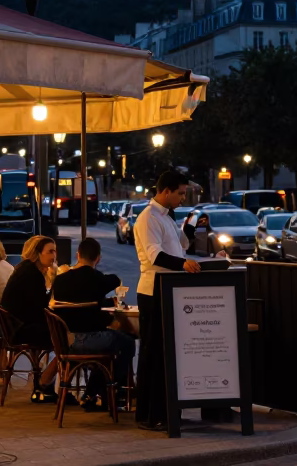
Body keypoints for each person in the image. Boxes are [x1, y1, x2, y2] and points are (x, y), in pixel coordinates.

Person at [133, 170, 200, 432]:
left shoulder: (168, 216)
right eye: (181, 193)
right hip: (153, 291)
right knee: (153, 353)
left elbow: (181, 245)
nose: (184, 198)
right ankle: (150, 414)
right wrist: (183, 264)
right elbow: (155, 256)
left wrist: (192, 225)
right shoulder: (148, 217)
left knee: (167, 354)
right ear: (165, 191)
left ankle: (166, 409)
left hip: (170, 289)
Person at [50, 237, 135, 411]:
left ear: (78, 254)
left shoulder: (60, 281)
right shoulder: (98, 280)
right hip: (90, 339)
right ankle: (106, 391)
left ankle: (94, 393)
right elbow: (115, 280)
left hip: (66, 341)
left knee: (112, 343)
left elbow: (82, 304)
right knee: (127, 342)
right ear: (98, 258)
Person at [0, 235, 59, 402]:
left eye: (55, 251)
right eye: (50, 252)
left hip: (16, 326)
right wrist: (55, 282)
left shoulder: (26, 269)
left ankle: (46, 384)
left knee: (64, 336)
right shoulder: (32, 274)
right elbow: (41, 307)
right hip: (22, 330)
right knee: (66, 340)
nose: (54, 256)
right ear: (38, 253)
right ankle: (45, 384)